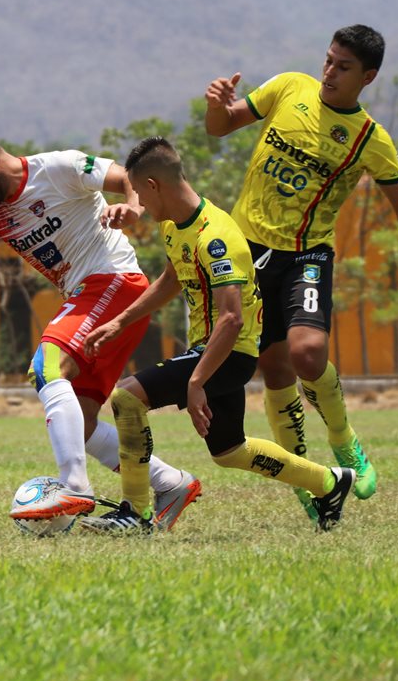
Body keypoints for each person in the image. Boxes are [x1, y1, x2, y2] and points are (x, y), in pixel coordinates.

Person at [204, 24, 398, 520]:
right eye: (329, 60)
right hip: (248, 251)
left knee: (307, 355)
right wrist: (216, 102)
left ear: (368, 76)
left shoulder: (370, 140)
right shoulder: (288, 87)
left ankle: (343, 438)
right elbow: (220, 125)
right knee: (273, 370)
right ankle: (311, 485)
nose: (330, 71)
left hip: (307, 256)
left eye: (344, 66)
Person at [83, 137, 355, 533]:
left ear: (155, 185)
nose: (139, 204)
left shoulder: (216, 236)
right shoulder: (177, 227)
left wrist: (197, 381)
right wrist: (120, 320)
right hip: (212, 352)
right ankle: (329, 482)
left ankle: (135, 513)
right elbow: (172, 279)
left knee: (127, 397)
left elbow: (231, 320)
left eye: (139, 193)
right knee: (229, 451)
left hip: (229, 353)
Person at [0, 132, 202, 530]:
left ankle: (74, 486)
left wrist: (132, 208)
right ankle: (169, 483)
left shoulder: (59, 167)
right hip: (90, 295)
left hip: (112, 279)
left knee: (47, 366)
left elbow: (129, 176)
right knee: (83, 417)